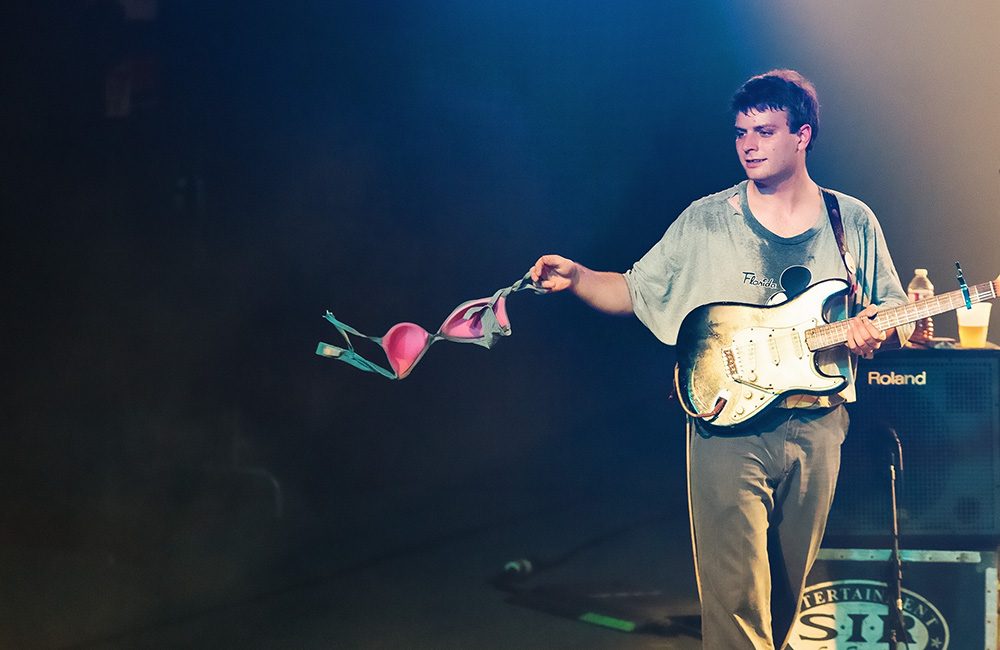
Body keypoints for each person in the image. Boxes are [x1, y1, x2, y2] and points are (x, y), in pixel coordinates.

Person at [530, 69, 913, 650]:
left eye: (764, 130)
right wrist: (579, 276)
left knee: (784, 596)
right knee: (735, 600)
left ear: (802, 135)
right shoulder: (707, 219)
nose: (749, 145)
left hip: (818, 424)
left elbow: (891, 312)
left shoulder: (850, 220)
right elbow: (636, 290)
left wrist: (872, 337)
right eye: (740, 133)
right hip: (727, 423)